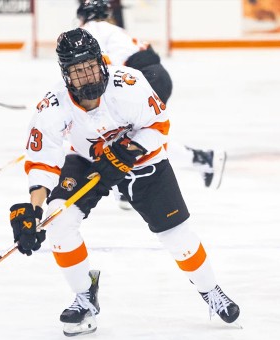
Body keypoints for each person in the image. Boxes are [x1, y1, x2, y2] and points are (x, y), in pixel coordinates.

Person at [8, 28, 240, 337]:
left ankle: (210, 290)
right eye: (77, 71)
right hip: (88, 162)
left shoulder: (128, 84)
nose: (87, 76)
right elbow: (42, 160)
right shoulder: (52, 106)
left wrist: (126, 151)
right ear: (65, 75)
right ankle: (84, 296)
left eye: (90, 66)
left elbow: (159, 125)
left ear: (101, 63)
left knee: (177, 237)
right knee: (58, 222)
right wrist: (34, 210)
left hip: (143, 161)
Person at [77, 0, 227, 198]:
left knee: (129, 135)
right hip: (154, 76)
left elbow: (100, 68)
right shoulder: (111, 30)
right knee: (137, 135)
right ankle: (203, 159)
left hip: (145, 80)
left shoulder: (91, 30)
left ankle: (202, 159)